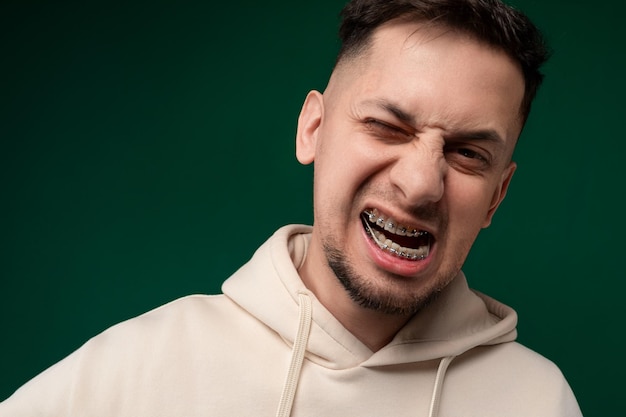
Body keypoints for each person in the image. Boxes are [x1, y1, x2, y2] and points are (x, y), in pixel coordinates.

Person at [0, 0, 582, 416]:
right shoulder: (138, 366)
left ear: (496, 198)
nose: (420, 185)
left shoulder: (538, 402)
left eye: (467, 154)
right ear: (313, 129)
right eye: (385, 126)